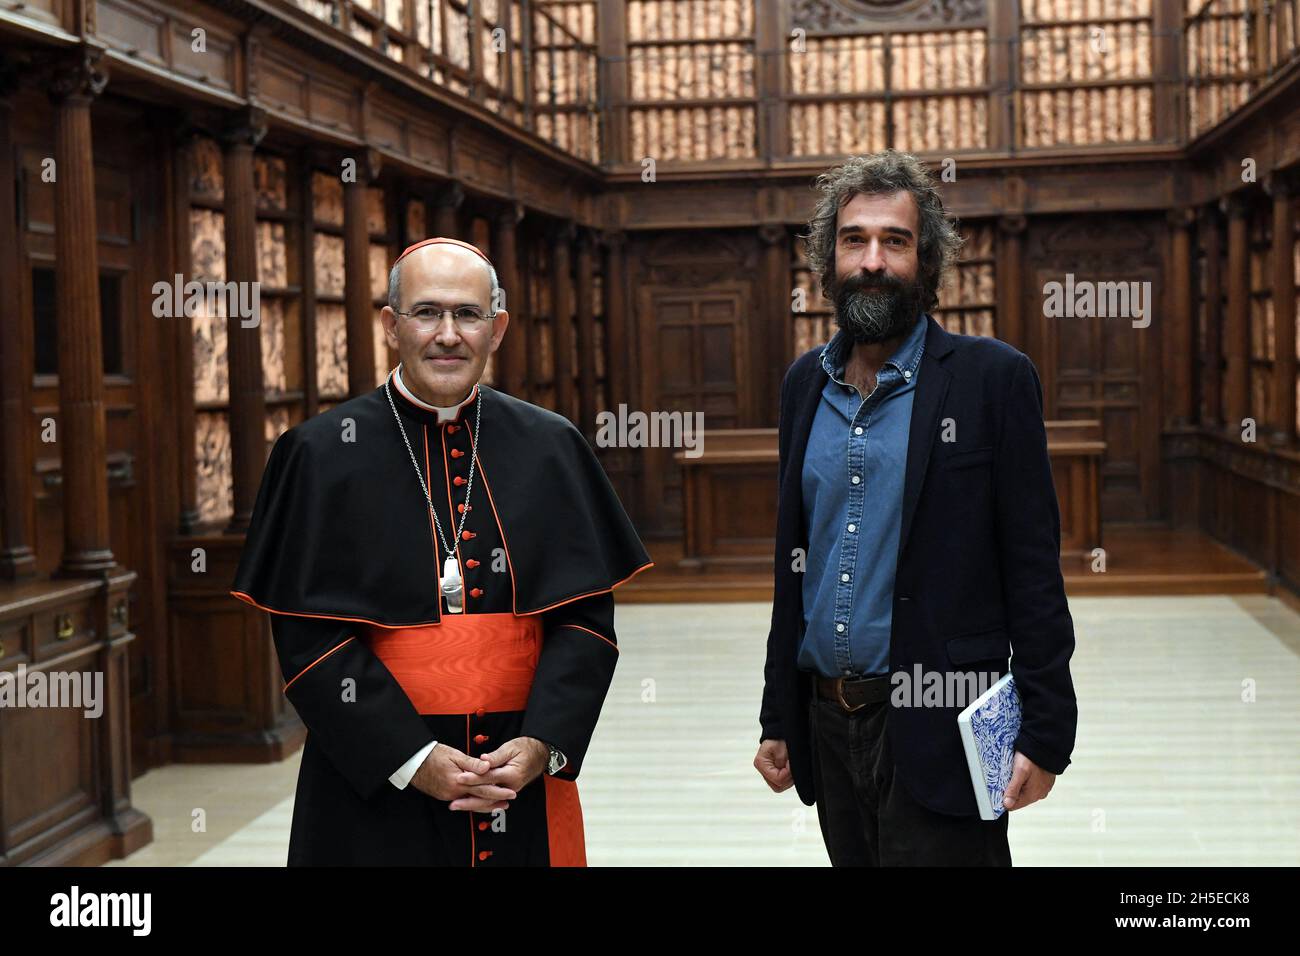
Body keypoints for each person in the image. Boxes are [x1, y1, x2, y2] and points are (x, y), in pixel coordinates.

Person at [231, 236, 652, 866]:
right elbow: (307, 639)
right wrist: (412, 757)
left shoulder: (550, 446)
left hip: (520, 776)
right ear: (391, 326)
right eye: (427, 313)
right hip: (371, 781)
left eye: (468, 314)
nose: (448, 334)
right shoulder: (319, 454)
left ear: (498, 328)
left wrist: (542, 741)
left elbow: (586, 623)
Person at [753, 151, 1078, 866]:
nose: (872, 260)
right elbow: (792, 566)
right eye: (854, 239)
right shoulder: (804, 384)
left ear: (925, 261)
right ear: (827, 256)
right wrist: (779, 711)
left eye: (894, 242)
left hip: (944, 721)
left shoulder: (993, 380)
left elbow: (1033, 569)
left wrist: (1047, 731)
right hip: (828, 722)